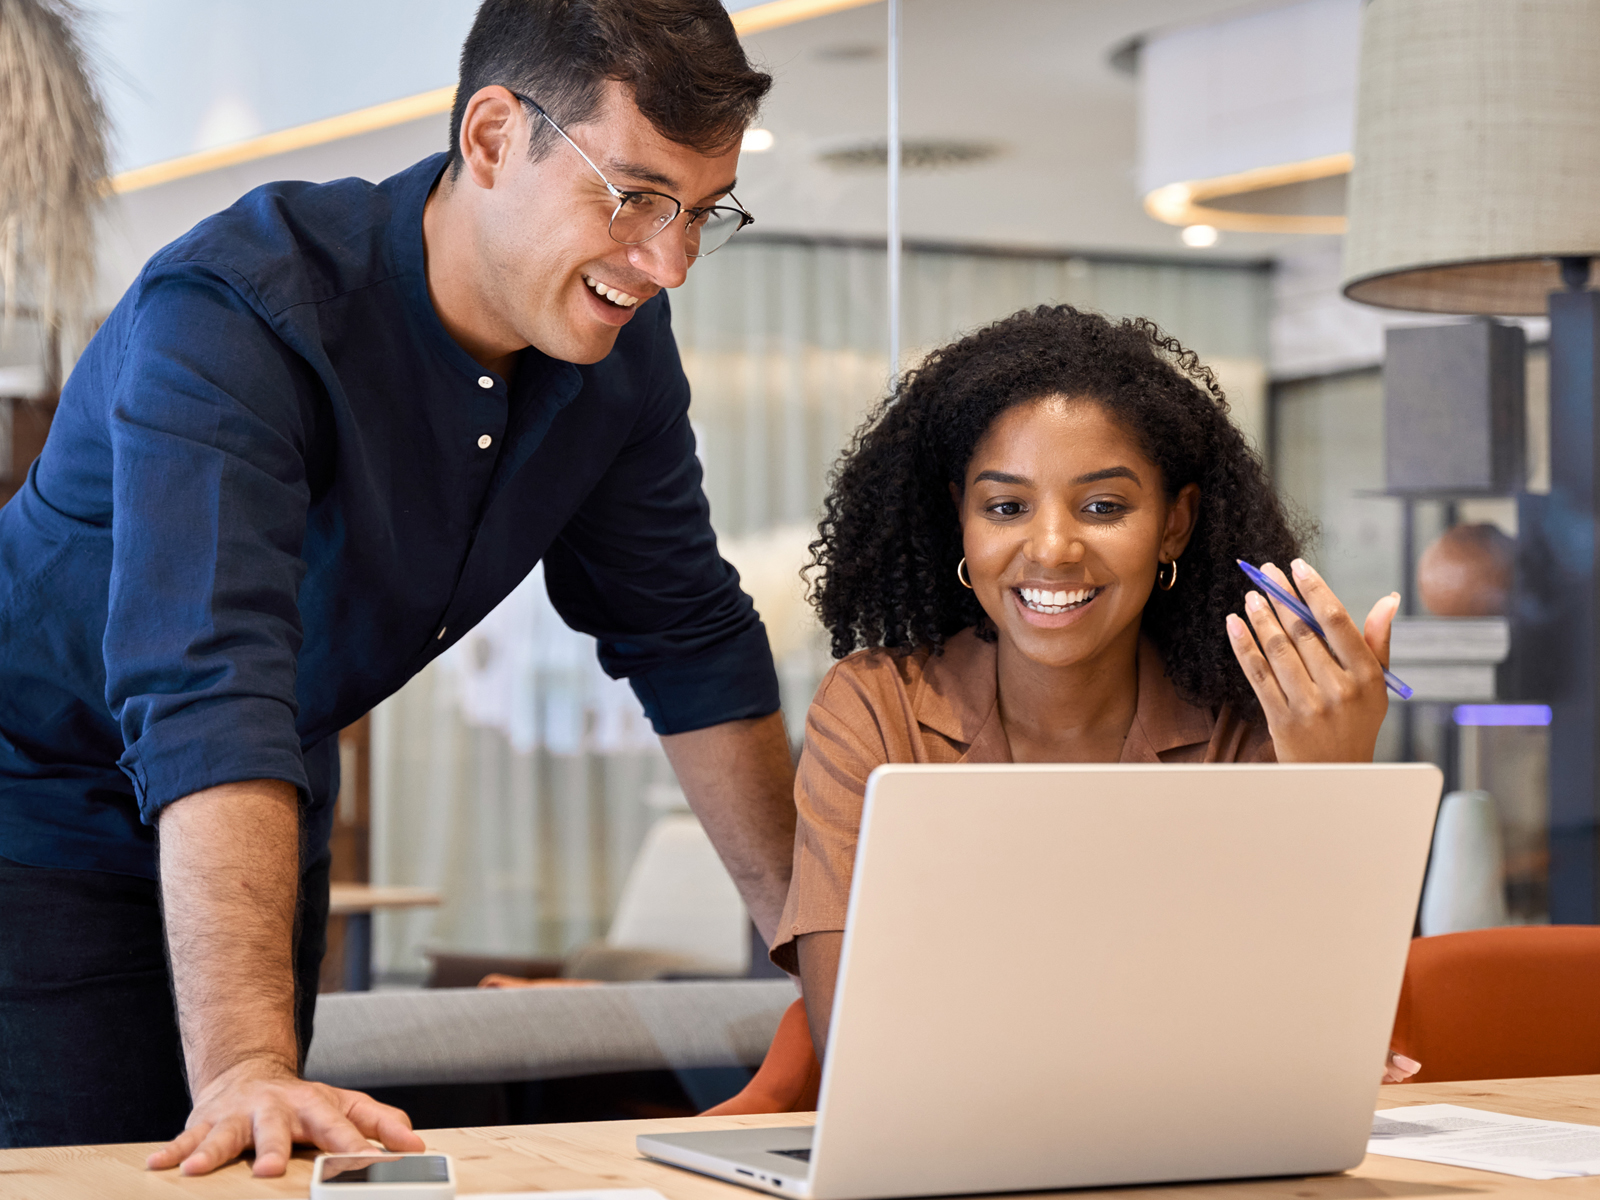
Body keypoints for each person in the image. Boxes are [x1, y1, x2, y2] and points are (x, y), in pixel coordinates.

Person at [0, 0, 799, 1173]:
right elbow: (209, 686)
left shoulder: (620, 353)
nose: (667, 261)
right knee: (126, 1161)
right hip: (37, 804)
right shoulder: (235, 317)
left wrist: (827, 972)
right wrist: (243, 1065)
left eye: (699, 212)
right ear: (490, 138)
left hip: (261, 794)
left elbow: (686, 636)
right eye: (633, 197)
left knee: (259, 1165)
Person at [770, 304, 1420, 1084]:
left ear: (1174, 525)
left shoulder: (1245, 720)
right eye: (1005, 507)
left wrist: (1333, 781)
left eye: (1104, 507)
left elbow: (1320, 1044)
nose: (1051, 548)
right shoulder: (875, 708)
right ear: (961, 523)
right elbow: (863, 1052)